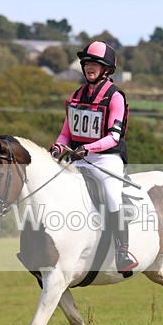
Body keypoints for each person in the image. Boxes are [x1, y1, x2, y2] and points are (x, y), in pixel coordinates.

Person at [50, 41, 138, 276]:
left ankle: (123, 252)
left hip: (106, 158)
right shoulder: (77, 95)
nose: (89, 67)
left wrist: (90, 149)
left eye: (95, 64)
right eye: (87, 63)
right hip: (79, 157)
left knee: (111, 196)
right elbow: (66, 132)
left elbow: (114, 136)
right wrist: (59, 146)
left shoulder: (115, 96)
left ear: (106, 69)